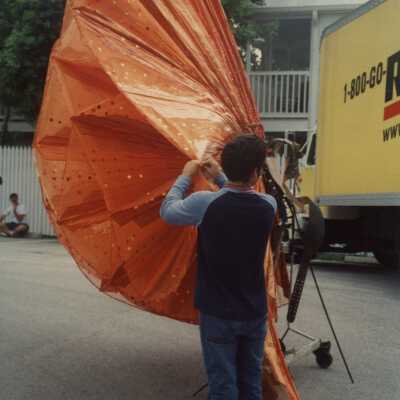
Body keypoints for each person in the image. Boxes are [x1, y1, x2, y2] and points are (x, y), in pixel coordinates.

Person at [160, 134, 277, 400]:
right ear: (257, 172)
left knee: (223, 385)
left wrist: (185, 176)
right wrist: (221, 178)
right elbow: (241, 196)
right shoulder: (268, 205)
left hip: (217, 312)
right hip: (254, 311)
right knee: (251, 382)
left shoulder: (205, 203)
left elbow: (167, 211)